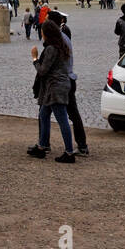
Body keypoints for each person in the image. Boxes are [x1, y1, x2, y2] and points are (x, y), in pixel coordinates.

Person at [27, 19, 76, 163]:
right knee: (43, 114)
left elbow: (43, 71)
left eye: (42, 32)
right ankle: (42, 147)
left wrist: (35, 58)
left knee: (62, 120)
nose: (41, 34)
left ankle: (69, 153)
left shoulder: (51, 49)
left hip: (56, 88)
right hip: (56, 86)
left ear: (46, 33)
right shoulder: (60, 45)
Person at [47, 9, 88, 156]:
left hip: (61, 82)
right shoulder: (62, 37)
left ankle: (71, 148)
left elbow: (53, 62)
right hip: (67, 79)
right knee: (45, 113)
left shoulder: (59, 39)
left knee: (65, 116)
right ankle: (44, 143)